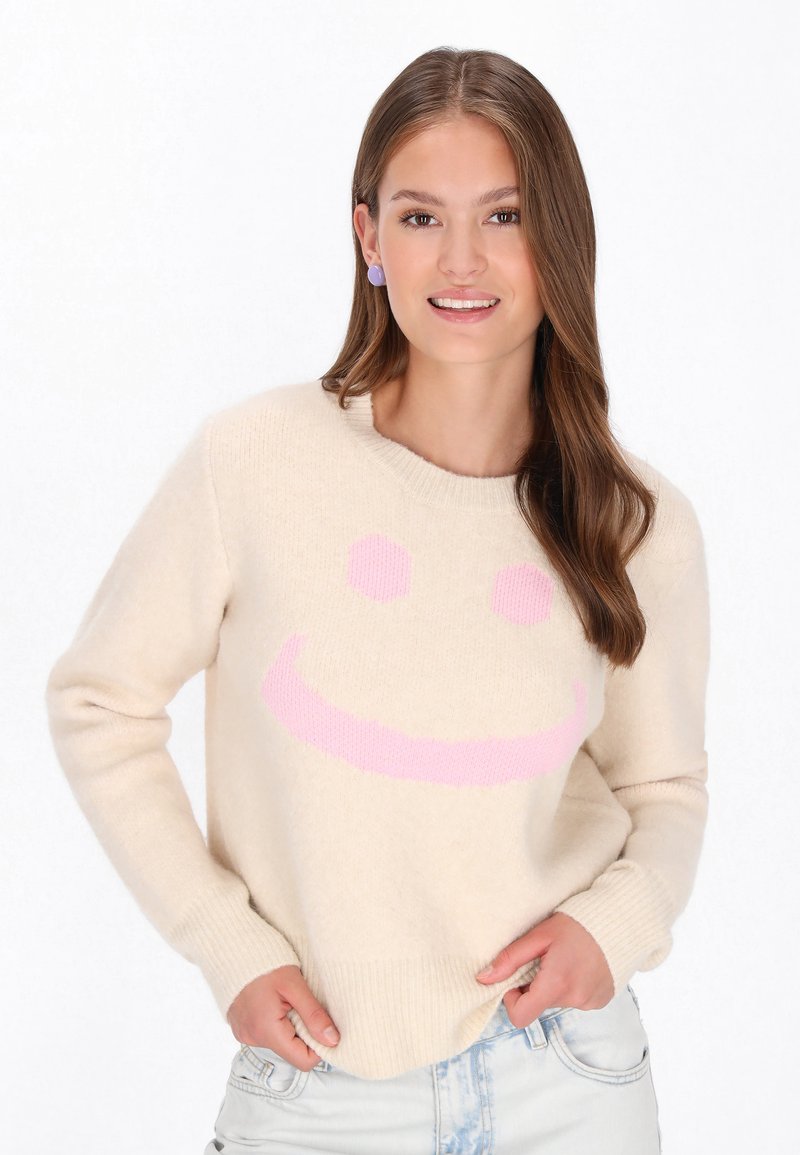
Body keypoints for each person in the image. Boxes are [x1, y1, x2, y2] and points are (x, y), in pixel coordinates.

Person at [45, 45, 710, 1154]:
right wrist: (226, 944)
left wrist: (616, 925)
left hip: (567, 1074)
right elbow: (99, 703)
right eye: (419, 217)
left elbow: (663, 787)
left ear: (558, 234)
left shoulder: (634, 522)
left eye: (503, 215)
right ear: (368, 238)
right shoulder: (253, 462)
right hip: (320, 1084)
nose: (461, 259)